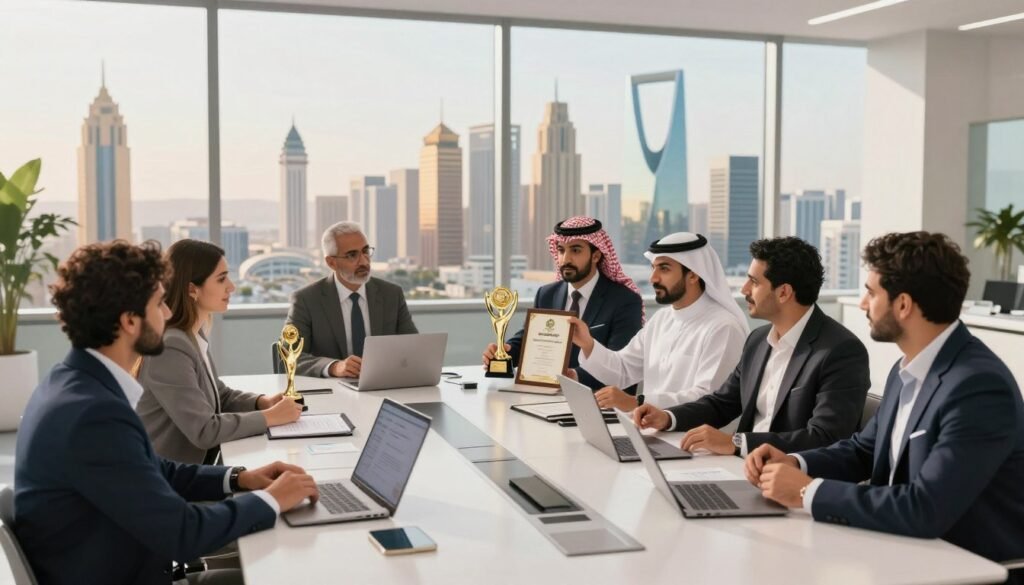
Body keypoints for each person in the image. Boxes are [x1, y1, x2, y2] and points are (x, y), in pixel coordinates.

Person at [14, 241, 319, 585]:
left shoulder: (71, 382)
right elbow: (185, 534)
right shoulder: (93, 414)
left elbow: (154, 469)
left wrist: (238, 478)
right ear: (130, 321)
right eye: (159, 303)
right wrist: (271, 500)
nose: (170, 314)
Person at [746, 232, 1024, 580]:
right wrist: (795, 461)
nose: (863, 303)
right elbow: (863, 450)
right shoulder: (906, 367)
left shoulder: (978, 387)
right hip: (900, 551)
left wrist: (804, 491)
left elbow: (925, 508)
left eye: (872, 292)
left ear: (903, 305)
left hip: (965, 569)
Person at [634, 237, 870, 456]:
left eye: (754, 282)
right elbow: (722, 404)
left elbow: (825, 437)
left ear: (784, 292)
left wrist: (737, 443)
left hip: (792, 480)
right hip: (743, 467)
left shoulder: (841, 351)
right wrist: (667, 417)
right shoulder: (758, 340)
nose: (744, 289)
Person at [137, 239, 303, 464]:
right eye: (221, 279)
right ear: (191, 289)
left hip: (197, 473)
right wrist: (269, 417)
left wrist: (261, 402)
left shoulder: (192, 334)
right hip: (173, 483)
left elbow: (218, 395)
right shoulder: (171, 346)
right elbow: (205, 430)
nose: (231, 287)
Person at [570, 232, 748, 410]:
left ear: (693, 275)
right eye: (653, 268)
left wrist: (637, 402)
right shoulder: (661, 319)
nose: (653, 278)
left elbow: (708, 398)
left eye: (664, 269)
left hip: (690, 435)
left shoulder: (723, 327)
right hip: (646, 429)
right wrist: (587, 343)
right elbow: (623, 369)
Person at [482, 216, 643, 391]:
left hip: (596, 402)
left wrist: (574, 376)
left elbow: (621, 366)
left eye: (575, 250)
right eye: (561, 250)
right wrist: (505, 352)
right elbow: (529, 338)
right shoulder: (547, 294)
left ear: (596, 255)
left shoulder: (624, 300)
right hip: (544, 394)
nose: (565, 259)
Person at [287, 221, 417, 378]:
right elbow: (290, 356)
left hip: (383, 387)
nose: (364, 261)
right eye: (352, 255)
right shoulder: (306, 300)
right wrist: (334, 367)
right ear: (331, 262)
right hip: (333, 394)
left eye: (365, 251)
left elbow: (413, 347)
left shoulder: (391, 294)